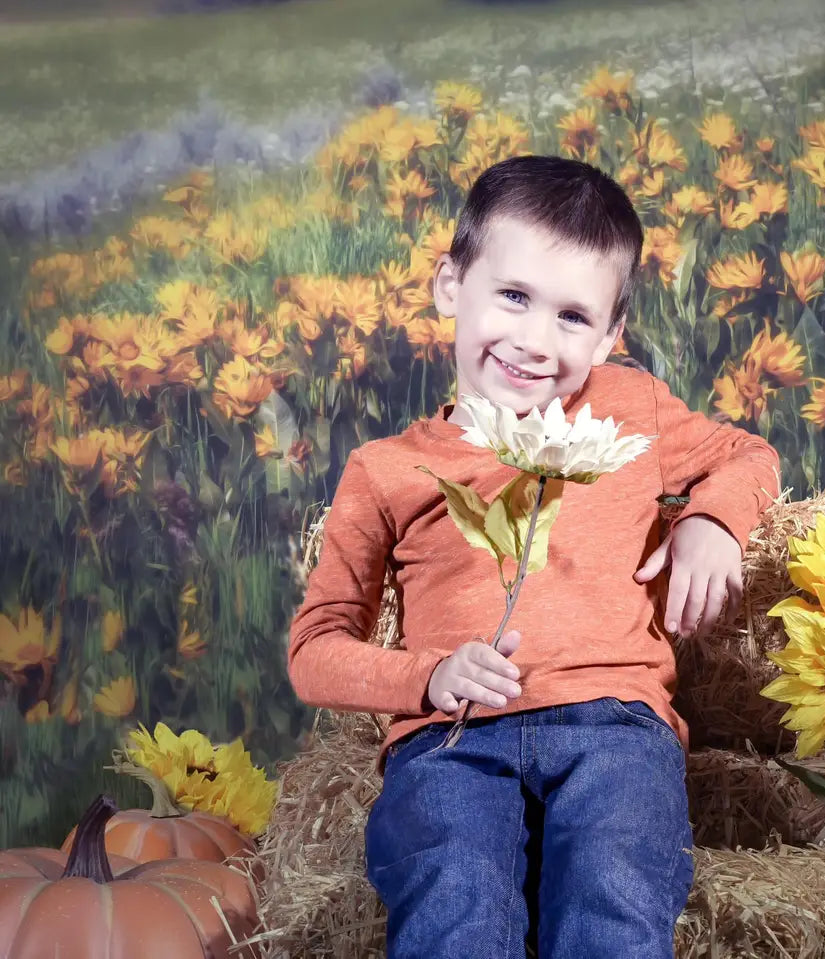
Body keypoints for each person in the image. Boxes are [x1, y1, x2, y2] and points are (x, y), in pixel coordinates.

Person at [288, 154, 781, 959]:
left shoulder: (630, 407)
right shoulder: (386, 468)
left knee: (614, 889)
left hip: (614, 726)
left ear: (613, 334)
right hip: (451, 739)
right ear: (452, 284)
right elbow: (315, 649)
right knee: (457, 900)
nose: (533, 341)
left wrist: (711, 521)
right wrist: (427, 676)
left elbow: (748, 455)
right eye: (513, 296)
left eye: (572, 317)